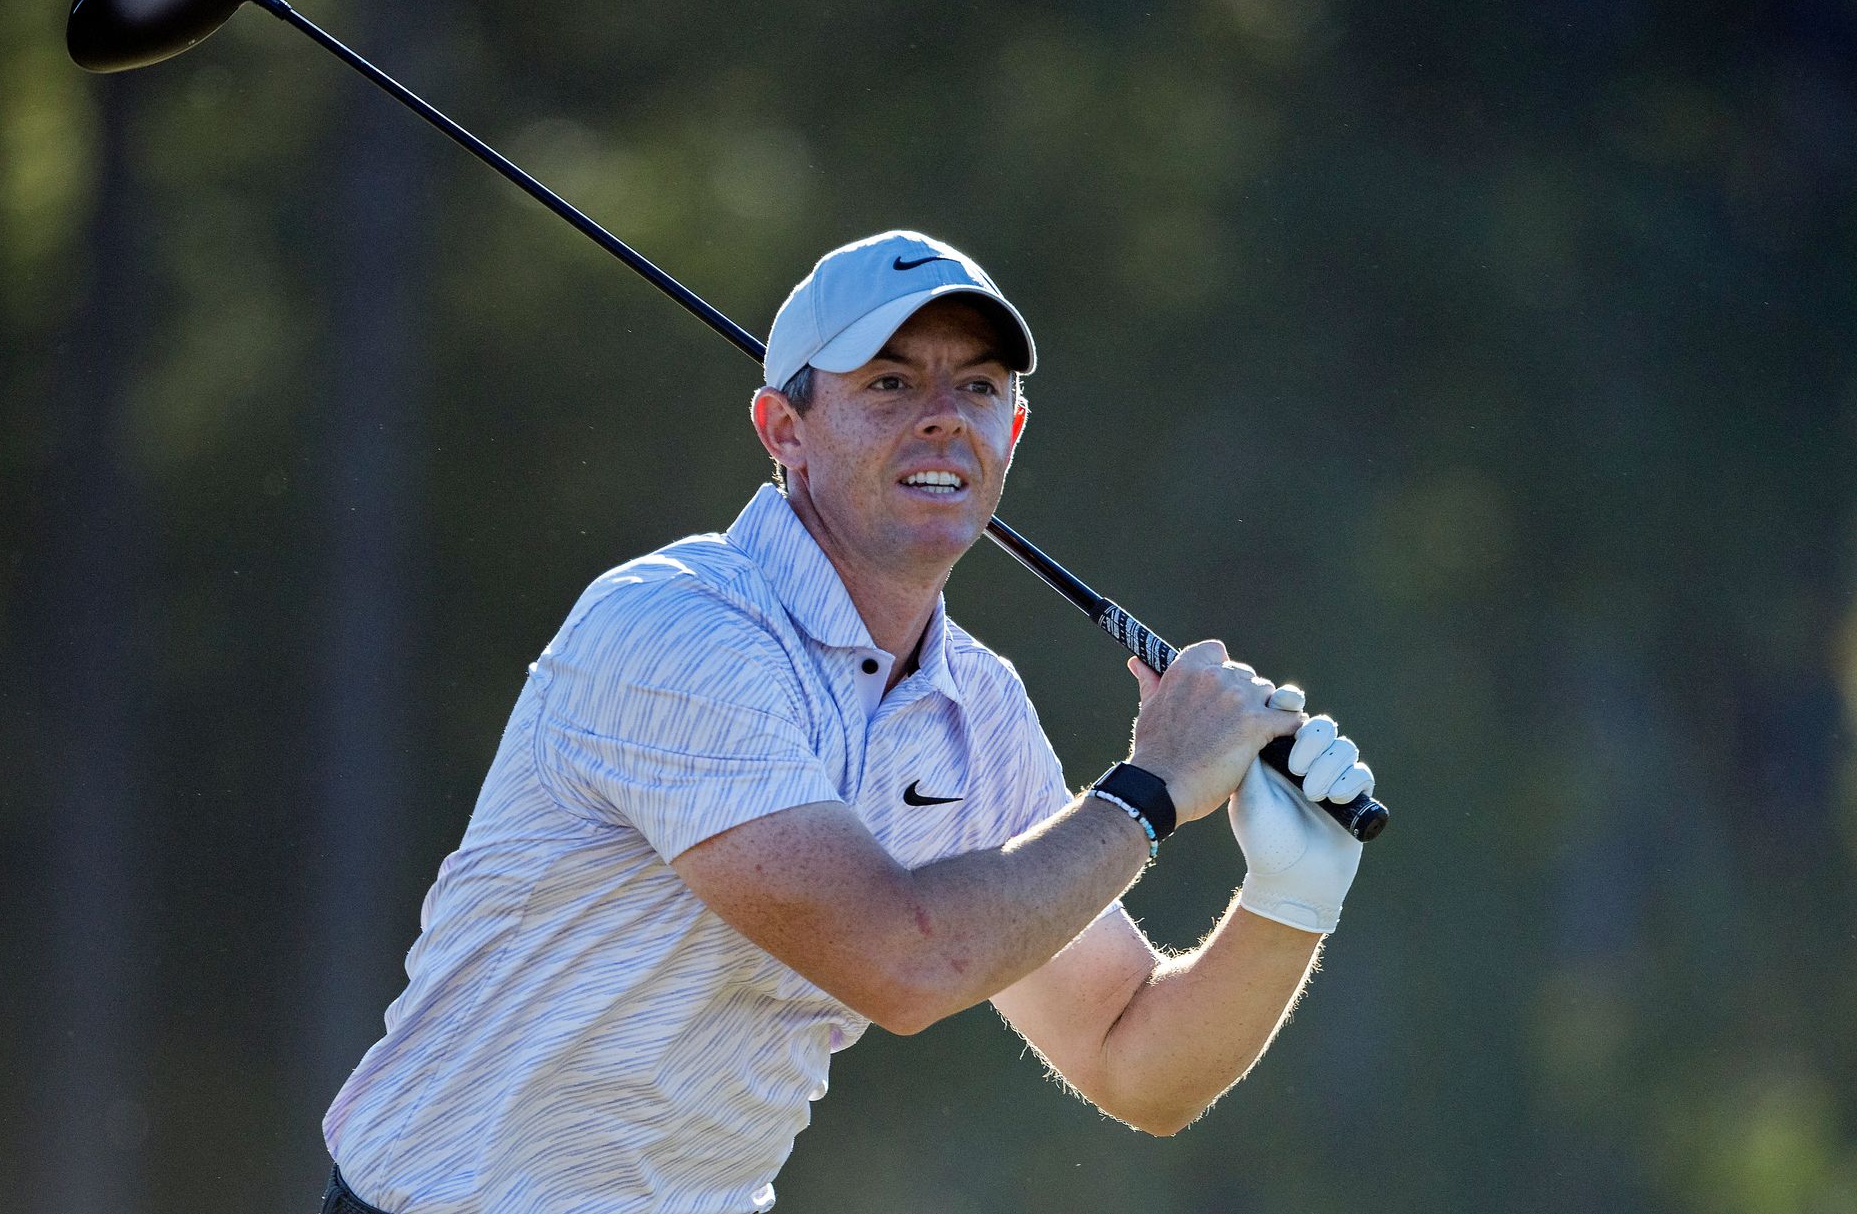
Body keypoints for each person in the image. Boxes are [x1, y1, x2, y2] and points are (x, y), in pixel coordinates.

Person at [317, 230, 1377, 1214]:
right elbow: (902, 960)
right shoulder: (673, 627)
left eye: (976, 387)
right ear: (785, 428)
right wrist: (1149, 788)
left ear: (1011, 432)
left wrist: (1291, 895)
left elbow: (1129, 1058)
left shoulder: (976, 705)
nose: (941, 417)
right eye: (887, 382)